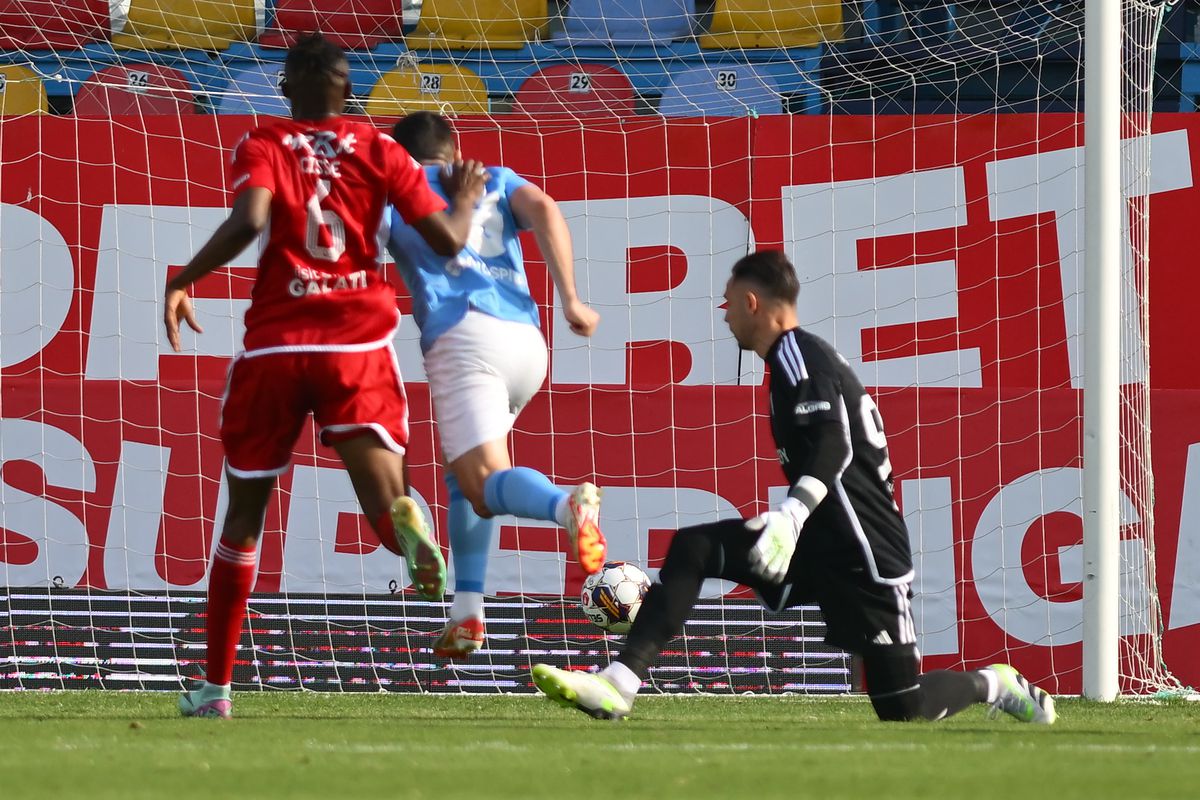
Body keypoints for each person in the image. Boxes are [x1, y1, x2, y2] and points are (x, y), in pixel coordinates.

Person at [532, 249, 1057, 725]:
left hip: (863, 552)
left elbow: (836, 445)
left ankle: (996, 683)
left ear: (752, 302)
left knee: (904, 707)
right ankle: (618, 684)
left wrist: (792, 514)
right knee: (693, 548)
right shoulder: (791, 362)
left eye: (728, 303)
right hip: (814, 541)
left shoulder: (796, 354)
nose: (724, 314)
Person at [164, 35, 487, 718]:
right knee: (383, 500)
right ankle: (407, 530)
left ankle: (217, 689)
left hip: (277, 348)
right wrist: (462, 199)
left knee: (243, 518)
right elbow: (448, 243)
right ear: (349, 89)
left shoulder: (264, 142)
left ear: (285, 89)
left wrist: (185, 277)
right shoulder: (380, 149)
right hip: (357, 344)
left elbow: (250, 220)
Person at [386, 111, 605, 660]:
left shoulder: (395, 195)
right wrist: (572, 298)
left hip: (463, 338)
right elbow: (546, 209)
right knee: (467, 479)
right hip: (527, 342)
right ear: (456, 148)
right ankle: (468, 613)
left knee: (483, 482)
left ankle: (565, 507)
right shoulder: (497, 178)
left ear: (399, 156)